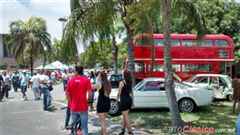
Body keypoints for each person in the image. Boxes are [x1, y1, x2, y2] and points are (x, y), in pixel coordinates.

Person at [66, 66, 92, 135]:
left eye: (74, 71)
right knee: (84, 127)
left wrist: (70, 103)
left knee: (74, 128)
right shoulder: (86, 80)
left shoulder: (70, 81)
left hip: (74, 107)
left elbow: (67, 94)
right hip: (83, 107)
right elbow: (90, 94)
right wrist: (89, 103)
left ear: (76, 71)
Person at [116, 70, 134, 135]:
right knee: (125, 116)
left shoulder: (121, 82)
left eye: (122, 74)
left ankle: (130, 132)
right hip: (129, 100)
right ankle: (123, 130)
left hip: (124, 101)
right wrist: (133, 103)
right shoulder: (130, 82)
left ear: (125, 75)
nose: (122, 74)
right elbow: (132, 93)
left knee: (126, 117)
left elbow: (119, 93)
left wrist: (116, 100)